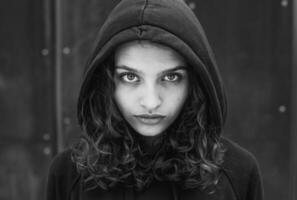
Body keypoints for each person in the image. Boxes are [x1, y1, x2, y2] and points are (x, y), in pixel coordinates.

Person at [46, 0, 264, 199]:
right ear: (105, 82)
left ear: (196, 83)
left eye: (171, 77)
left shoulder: (238, 173)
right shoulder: (69, 174)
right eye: (130, 77)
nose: (151, 102)